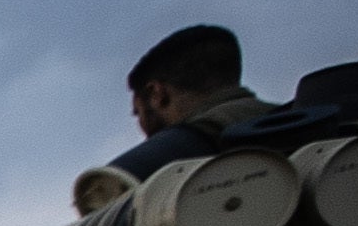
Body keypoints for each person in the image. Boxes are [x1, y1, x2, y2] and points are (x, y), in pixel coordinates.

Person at [79, 23, 279, 209]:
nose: (141, 126)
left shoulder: (153, 166)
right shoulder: (298, 121)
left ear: (157, 94)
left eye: (138, 112)